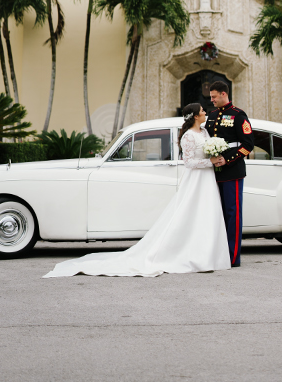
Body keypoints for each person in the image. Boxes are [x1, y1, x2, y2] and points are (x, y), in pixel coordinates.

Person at [43, 103, 231, 278]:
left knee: (208, 213)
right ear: (196, 116)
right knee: (190, 213)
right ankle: (191, 255)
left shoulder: (205, 131)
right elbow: (188, 162)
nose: (205, 112)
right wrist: (210, 161)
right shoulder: (189, 136)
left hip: (207, 178)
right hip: (196, 180)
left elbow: (207, 152)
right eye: (202, 111)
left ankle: (209, 255)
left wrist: (217, 158)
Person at [205, 81, 252, 267]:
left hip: (232, 171)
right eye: (211, 97)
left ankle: (232, 257)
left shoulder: (238, 115)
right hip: (213, 172)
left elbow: (248, 145)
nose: (212, 100)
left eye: (214, 96)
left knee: (233, 214)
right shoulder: (212, 115)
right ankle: (218, 254)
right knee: (217, 213)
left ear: (224, 94)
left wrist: (228, 159)